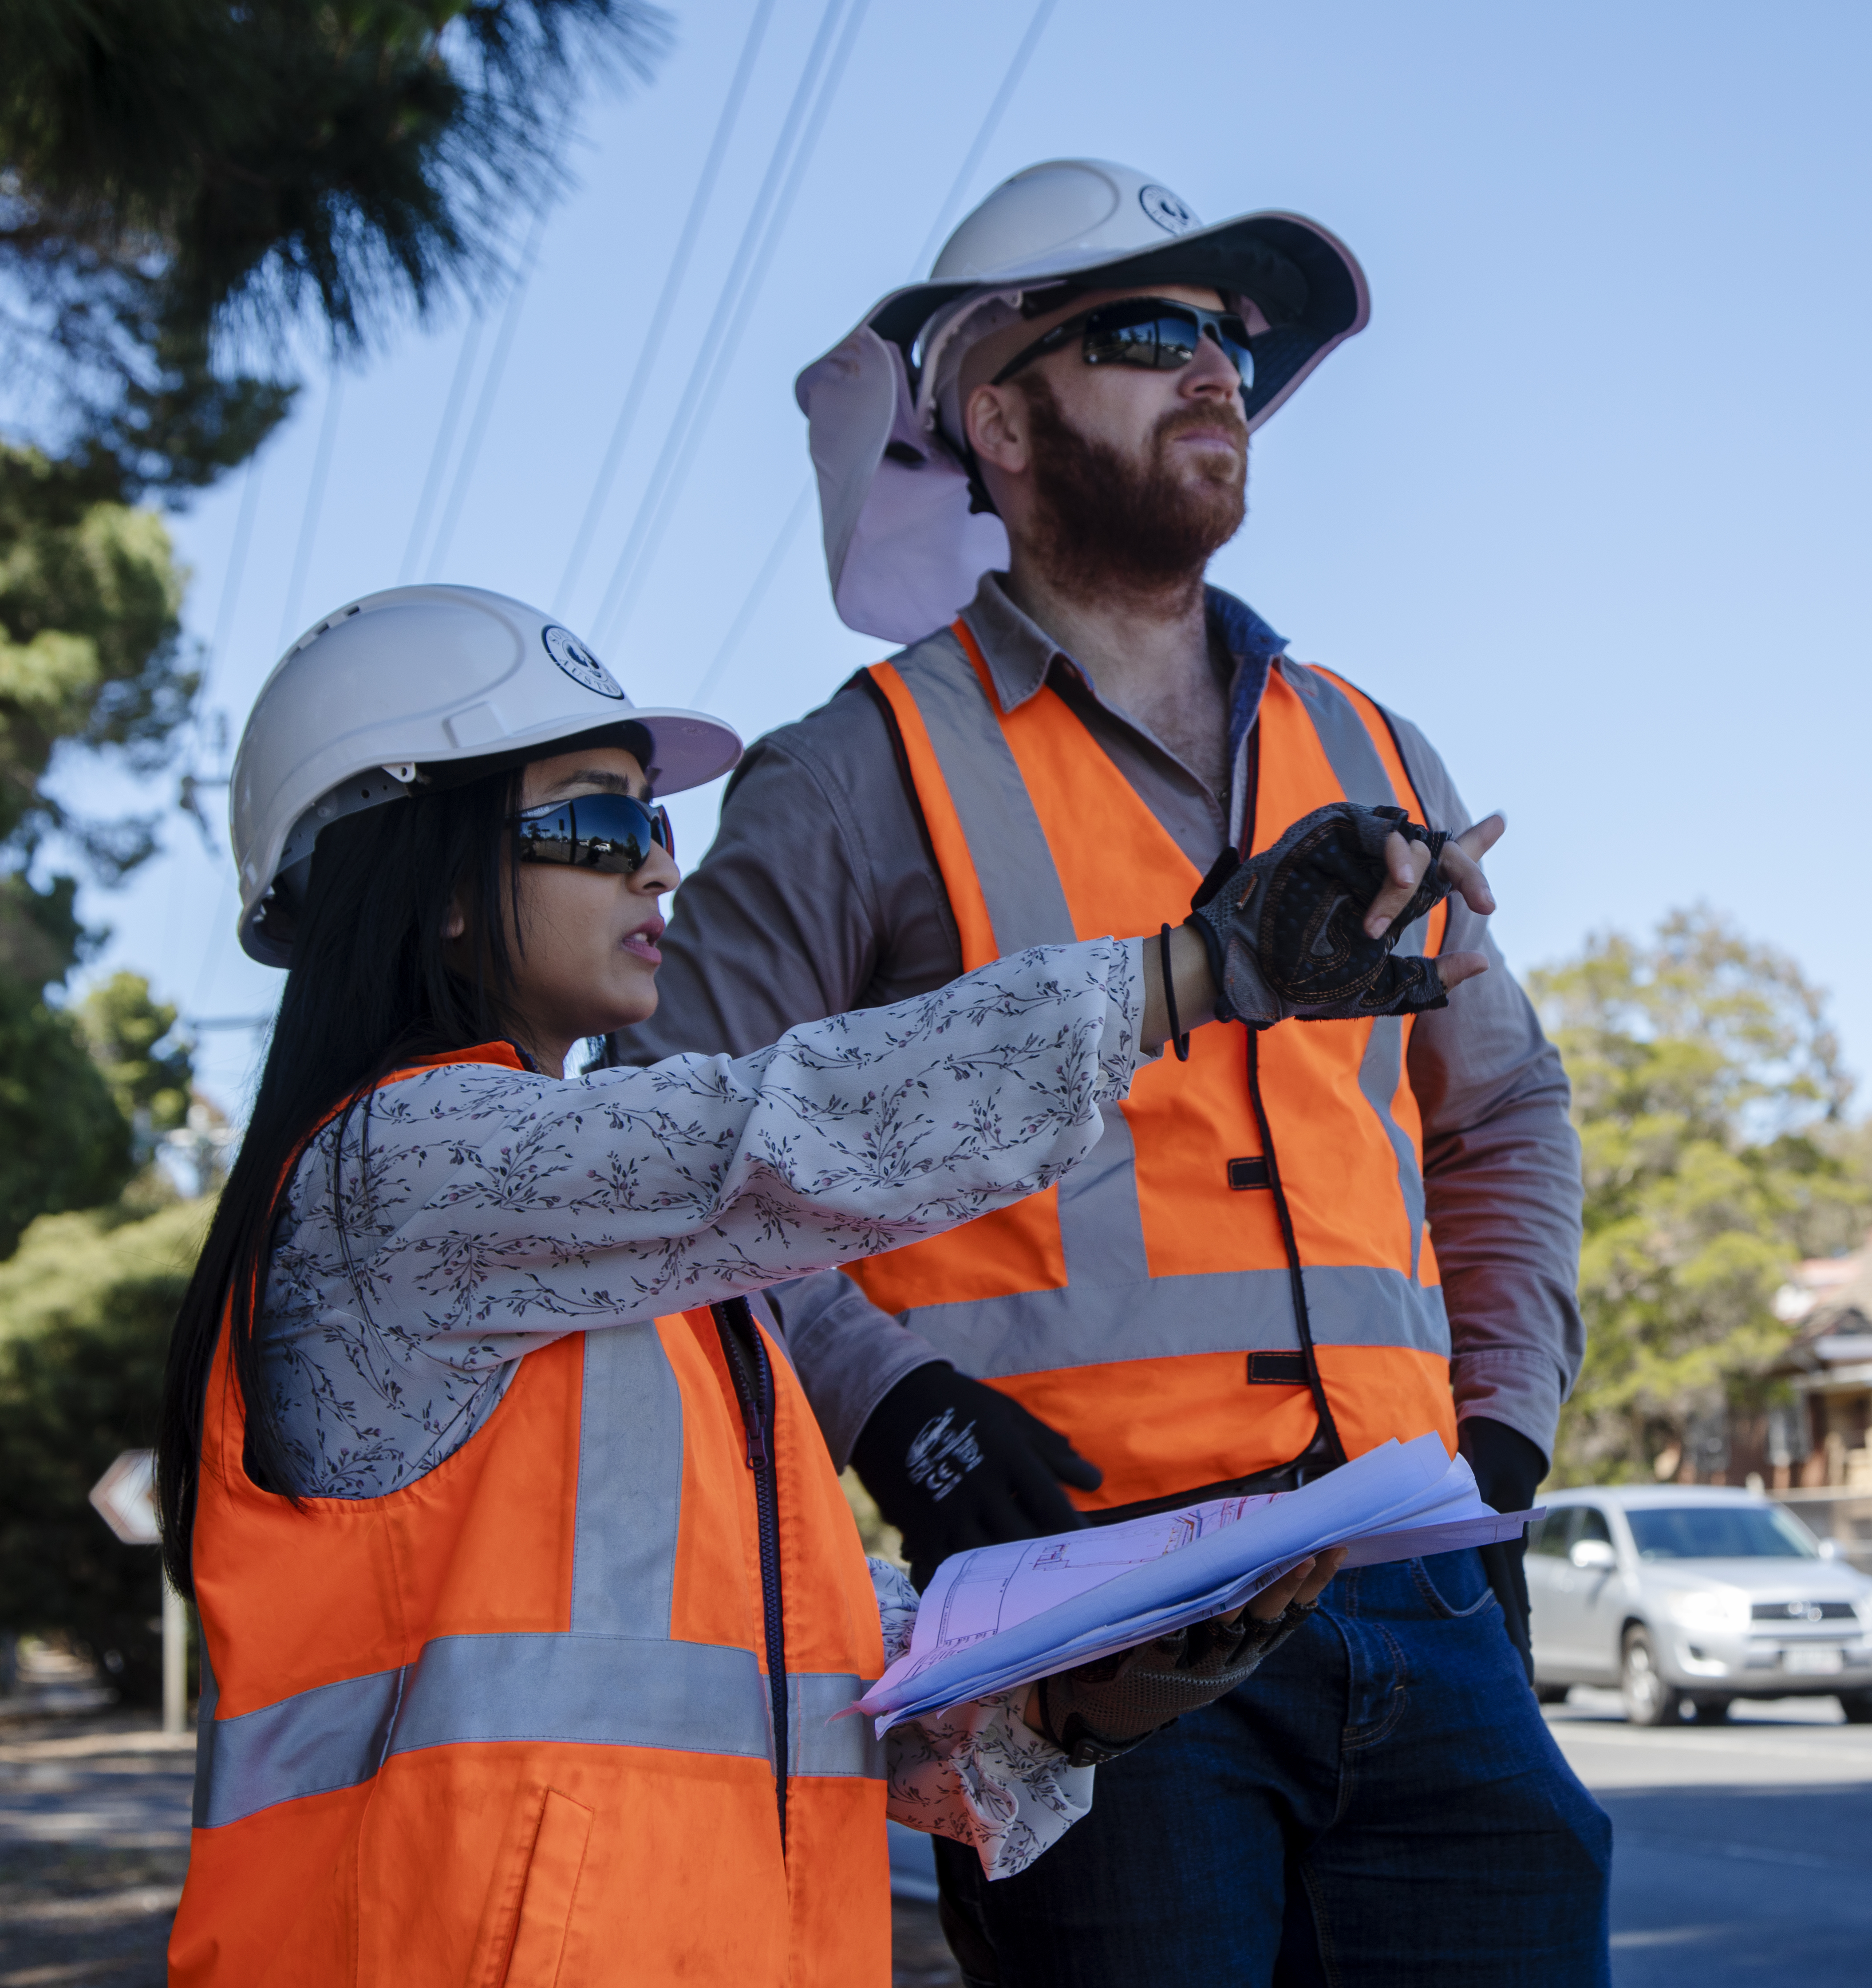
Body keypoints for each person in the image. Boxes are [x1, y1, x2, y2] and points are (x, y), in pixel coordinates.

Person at [154, 584, 1490, 1985]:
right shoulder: (403, 1173)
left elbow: (755, 1663)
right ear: (422, 875)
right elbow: (782, 1132)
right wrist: (1204, 966)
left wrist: (1066, 1694)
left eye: (655, 828)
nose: (659, 870)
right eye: (605, 821)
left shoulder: (626, 1269)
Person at [617, 161, 1611, 1984]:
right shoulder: (855, 773)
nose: (1219, 375)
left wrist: (1507, 1427)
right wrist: (893, 1406)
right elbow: (676, 1153)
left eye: (1234, 347)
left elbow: (1503, 1109)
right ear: (996, 417)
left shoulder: (1369, 744)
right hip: (1085, 1631)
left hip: (1417, 1586)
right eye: (1154, 336)